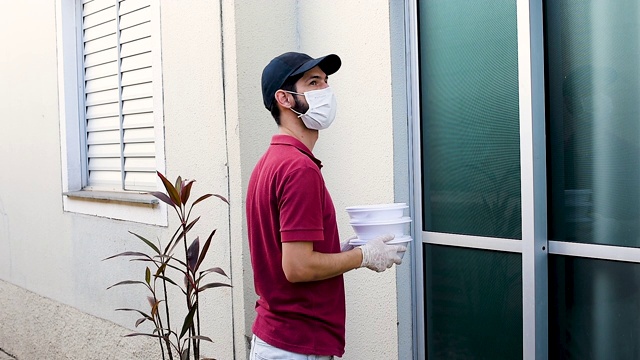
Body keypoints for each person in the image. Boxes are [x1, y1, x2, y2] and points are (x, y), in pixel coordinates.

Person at [245, 51, 405, 360]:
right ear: (285, 98)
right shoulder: (298, 169)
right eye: (313, 82)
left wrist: (338, 252)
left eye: (326, 81)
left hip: (280, 340)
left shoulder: (270, 162)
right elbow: (297, 266)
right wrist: (363, 255)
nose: (326, 91)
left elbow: (288, 256)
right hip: (296, 346)